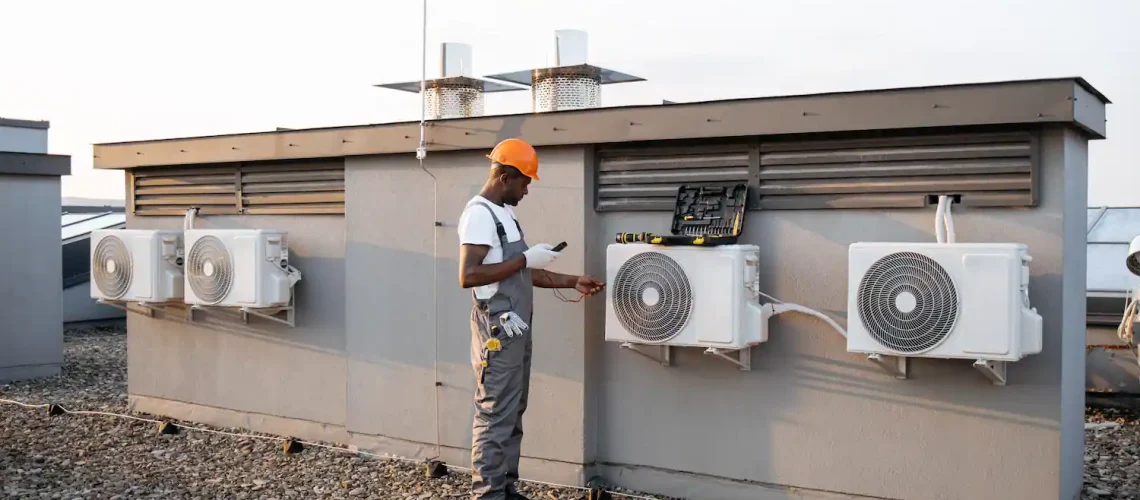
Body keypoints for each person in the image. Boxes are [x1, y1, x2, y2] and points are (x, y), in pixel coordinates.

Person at [457, 138, 605, 500]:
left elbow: (519, 274)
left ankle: (505, 489)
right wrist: (525, 259)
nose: (527, 190)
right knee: (494, 412)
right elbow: (469, 276)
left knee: (512, 408)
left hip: (516, 328)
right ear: (506, 176)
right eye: (525, 182)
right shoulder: (479, 214)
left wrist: (573, 281)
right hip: (496, 328)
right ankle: (488, 495)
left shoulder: (505, 214)